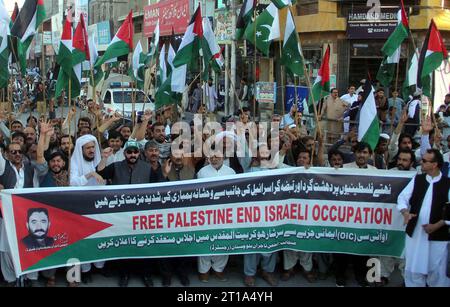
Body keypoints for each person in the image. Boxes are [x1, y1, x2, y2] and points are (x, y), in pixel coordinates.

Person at [97, 140, 163, 287]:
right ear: (125, 153)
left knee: (145, 246)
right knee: (124, 245)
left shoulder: (147, 168)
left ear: (139, 153)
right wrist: (104, 158)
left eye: (135, 152)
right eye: (129, 152)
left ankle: (146, 275)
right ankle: (124, 274)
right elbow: (100, 172)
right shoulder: (116, 166)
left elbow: (158, 188)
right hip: (121, 215)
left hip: (142, 215)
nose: (132, 155)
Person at [397, 149, 450, 287]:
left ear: (435, 164)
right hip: (416, 234)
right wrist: (405, 212)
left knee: (437, 271)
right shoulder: (417, 179)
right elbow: (402, 198)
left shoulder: (448, 183)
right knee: (413, 270)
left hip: (438, 234)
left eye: (425, 161)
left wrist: (437, 225)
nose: (422, 162)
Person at [69, 134, 106, 281]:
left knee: (101, 237)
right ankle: (85, 270)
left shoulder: (99, 160)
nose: (91, 150)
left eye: (93, 147)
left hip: (100, 205)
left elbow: (105, 175)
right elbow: (73, 182)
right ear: (81, 149)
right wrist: (90, 174)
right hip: (82, 207)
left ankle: (100, 266)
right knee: (84, 240)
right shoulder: (75, 162)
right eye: (88, 148)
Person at [197, 151, 236, 282]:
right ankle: (204, 270)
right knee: (205, 240)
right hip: (206, 213)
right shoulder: (202, 172)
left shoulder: (231, 172)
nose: (214, 159)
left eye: (217, 156)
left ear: (223, 157)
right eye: (211, 156)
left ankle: (218, 269)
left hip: (225, 213)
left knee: (223, 240)